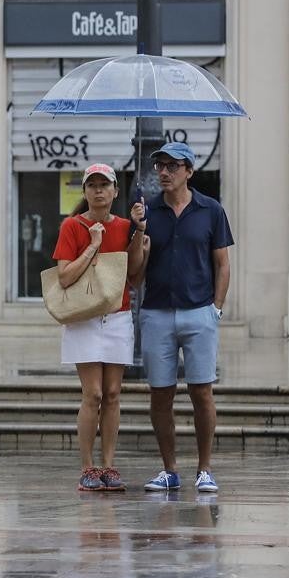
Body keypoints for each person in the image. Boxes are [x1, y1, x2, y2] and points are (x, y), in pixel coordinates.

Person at [138, 142, 233, 494]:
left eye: (172, 166)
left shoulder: (211, 210)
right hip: (157, 313)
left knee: (201, 392)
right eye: (160, 166)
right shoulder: (147, 212)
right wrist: (137, 232)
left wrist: (216, 308)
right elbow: (135, 272)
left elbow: (222, 263)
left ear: (189, 171)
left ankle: (205, 469)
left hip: (199, 312)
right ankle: (169, 470)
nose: (164, 172)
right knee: (160, 395)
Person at [51, 163, 149, 491]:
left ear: (115, 191)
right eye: (92, 185)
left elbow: (134, 275)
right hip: (84, 318)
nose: (98, 190)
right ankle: (87, 467)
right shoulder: (72, 226)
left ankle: (109, 465)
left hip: (117, 316)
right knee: (92, 394)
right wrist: (93, 244)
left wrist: (138, 233)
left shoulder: (124, 226)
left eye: (104, 185)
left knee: (113, 393)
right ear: (84, 191)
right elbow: (64, 276)